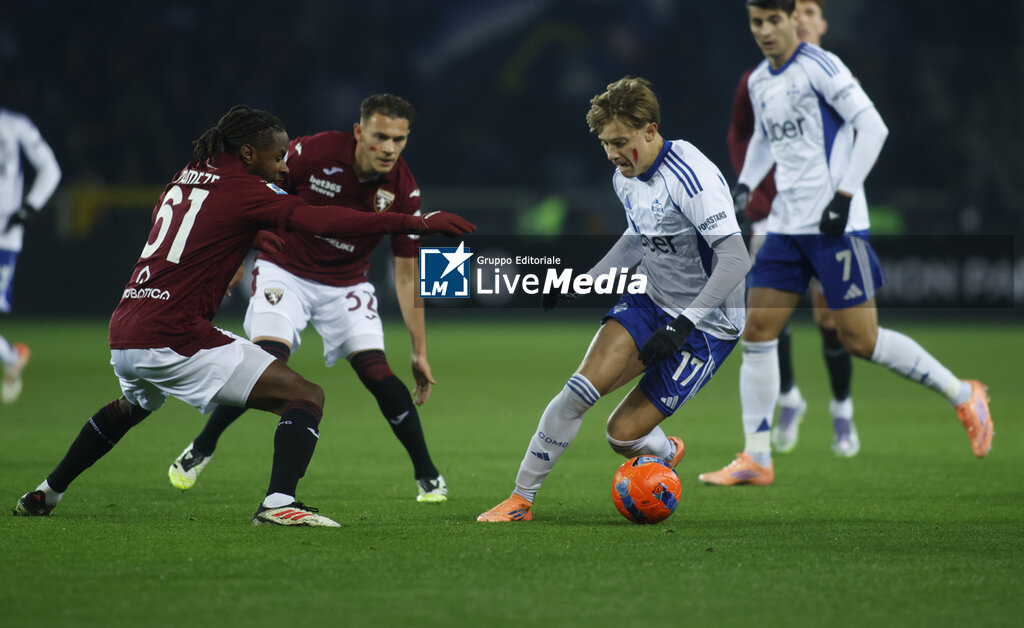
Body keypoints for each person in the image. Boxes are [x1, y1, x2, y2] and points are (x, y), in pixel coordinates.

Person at [12, 105, 474, 526]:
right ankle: (278, 503)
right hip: (177, 334)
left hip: (127, 328)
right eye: (277, 158)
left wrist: (239, 243)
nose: (285, 167)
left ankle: (46, 493)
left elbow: (191, 226)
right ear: (249, 153)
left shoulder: (187, 174)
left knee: (132, 407)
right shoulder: (251, 189)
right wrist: (416, 223)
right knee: (305, 395)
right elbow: (322, 220)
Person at [700, 0, 993, 487]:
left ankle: (963, 394)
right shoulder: (759, 81)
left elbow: (873, 127)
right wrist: (745, 184)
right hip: (786, 226)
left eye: (773, 20)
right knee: (759, 329)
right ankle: (757, 456)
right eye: (756, 22)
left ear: (792, 19)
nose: (765, 30)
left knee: (860, 339)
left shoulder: (822, 66)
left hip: (835, 227)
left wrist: (844, 194)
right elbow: (765, 138)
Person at [477, 77, 749, 522]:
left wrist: (682, 325)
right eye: (605, 143)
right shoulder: (626, 178)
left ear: (650, 130)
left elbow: (736, 259)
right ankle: (520, 501)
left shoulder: (692, 179)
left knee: (621, 436)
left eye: (620, 142)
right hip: (651, 299)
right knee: (577, 391)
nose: (612, 154)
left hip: (707, 325)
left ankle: (664, 451)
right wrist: (580, 282)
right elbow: (636, 240)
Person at [167, 94, 448, 502]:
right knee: (267, 363)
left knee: (378, 374)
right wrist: (237, 255)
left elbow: (406, 274)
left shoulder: (404, 188)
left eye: (399, 139)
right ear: (359, 132)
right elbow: (252, 197)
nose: (389, 148)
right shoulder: (312, 153)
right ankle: (203, 446)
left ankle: (427, 475)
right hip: (286, 271)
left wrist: (419, 351)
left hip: (347, 284)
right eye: (381, 136)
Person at [727, 0, 859, 456]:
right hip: (776, 216)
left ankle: (841, 411)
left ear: (819, 23)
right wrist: (752, 192)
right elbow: (747, 135)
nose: (799, 20)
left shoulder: (829, 73)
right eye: (792, 12)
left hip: (827, 219)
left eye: (806, 13)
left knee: (835, 322)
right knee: (765, 319)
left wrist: (843, 198)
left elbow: (862, 135)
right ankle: (787, 400)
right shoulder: (759, 80)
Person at [1, 106, 61, 405]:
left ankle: (13, 356)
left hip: (3, 236)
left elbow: (51, 169)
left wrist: (28, 208)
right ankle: (13, 356)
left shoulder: (14, 126)